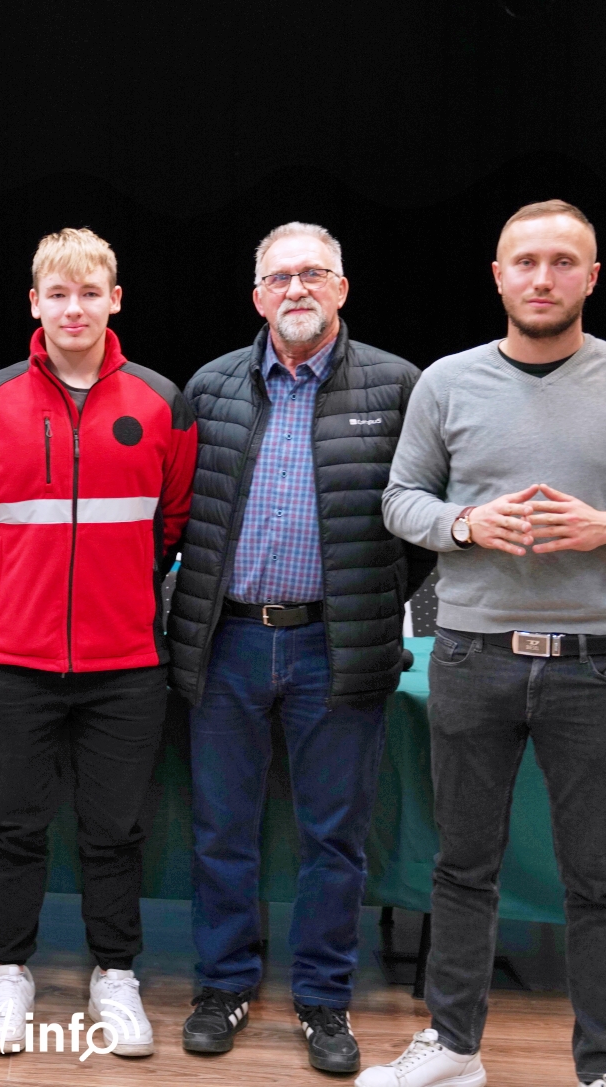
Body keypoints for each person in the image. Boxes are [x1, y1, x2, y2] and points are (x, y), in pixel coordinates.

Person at [372, 200, 606, 1087]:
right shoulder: (447, 381)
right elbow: (400, 498)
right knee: (463, 866)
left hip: (595, 664)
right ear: (498, 275)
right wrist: (464, 524)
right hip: (470, 657)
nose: (542, 277)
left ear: (592, 277)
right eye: (525, 261)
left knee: (598, 880)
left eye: (563, 261)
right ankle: (453, 1050)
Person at [167, 221, 433, 1072]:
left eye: (314, 274)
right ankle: (224, 985)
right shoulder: (209, 388)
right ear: (256, 297)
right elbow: (183, 521)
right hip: (231, 642)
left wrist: (365, 604)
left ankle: (323, 1000)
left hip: (336, 647)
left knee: (334, 839)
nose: (296, 289)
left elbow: (423, 529)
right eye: (279, 277)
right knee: (221, 832)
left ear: (343, 288)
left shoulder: (400, 387)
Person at [0, 228, 195, 1057]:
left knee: (114, 831)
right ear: (35, 304)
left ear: (114, 300)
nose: (74, 308)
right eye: (59, 293)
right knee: (14, 827)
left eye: (91, 293)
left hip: (127, 665)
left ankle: (114, 973)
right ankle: (8, 973)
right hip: (14, 659)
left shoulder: (162, 401)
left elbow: (174, 524)